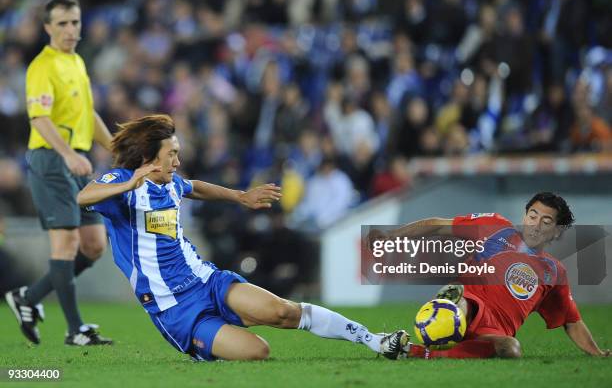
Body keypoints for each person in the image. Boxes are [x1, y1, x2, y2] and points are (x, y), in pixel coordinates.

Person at [76, 114, 407, 361]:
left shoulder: (172, 182)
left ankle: (374, 340)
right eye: (171, 154)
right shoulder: (121, 182)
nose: (178, 161)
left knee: (283, 312)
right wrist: (127, 183)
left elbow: (197, 187)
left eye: (178, 153)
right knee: (257, 352)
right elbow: (85, 196)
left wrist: (241, 197)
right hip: (174, 308)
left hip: (207, 281)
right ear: (149, 156)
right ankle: (207, 340)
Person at [370, 192, 611, 359]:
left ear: (557, 232)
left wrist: (597, 353)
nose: (535, 225)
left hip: (494, 332)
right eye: (533, 215)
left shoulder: (554, 271)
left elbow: (572, 321)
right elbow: (436, 224)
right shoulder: (496, 227)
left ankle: (415, 350)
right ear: (525, 215)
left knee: (511, 349)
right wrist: (391, 237)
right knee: (458, 302)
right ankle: (446, 311)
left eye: (546, 221)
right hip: (468, 303)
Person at [4, 0, 113, 346]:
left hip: (78, 159)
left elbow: (89, 114)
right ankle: (75, 330)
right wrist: (67, 155)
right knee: (66, 242)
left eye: (75, 22)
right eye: (63, 23)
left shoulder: (77, 62)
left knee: (94, 245)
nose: (70, 29)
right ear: (48, 27)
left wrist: (117, 150)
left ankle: (29, 297)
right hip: (52, 160)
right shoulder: (42, 66)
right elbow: (39, 118)